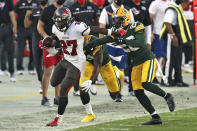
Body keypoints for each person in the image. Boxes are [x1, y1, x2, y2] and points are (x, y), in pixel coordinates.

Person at [84, 7, 175, 125]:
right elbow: (101, 41)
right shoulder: (116, 32)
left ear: (126, 19)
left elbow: (140, 43)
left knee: (146, 83)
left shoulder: (136, 25)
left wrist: (123, 41)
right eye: (114, 20)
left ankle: (167, 96)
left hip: (147, 59)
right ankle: (155, 116)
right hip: (135, 63)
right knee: (138, 91)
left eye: (118, 20)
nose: (116, 22)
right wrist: (84, 47)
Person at [45, 7, 119, 126]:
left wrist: (110, 32)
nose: (58, 23)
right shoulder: (55, 28)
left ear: (68, 20)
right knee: (53, 83)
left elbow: (94, 29)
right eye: (57, 21)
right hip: (66, 59)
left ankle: (59, 119)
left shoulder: (79, 29)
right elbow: (56, 37)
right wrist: (49, 42)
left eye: (61, 21)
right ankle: (86, 112)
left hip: (78, 63)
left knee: (65, 89)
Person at [74, 35, 124, 122]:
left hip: (104, 64)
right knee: (83, 87)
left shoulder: (96, 44)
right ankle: (89, 113)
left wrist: (91, 80)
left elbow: (98, 65)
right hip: (89, 62)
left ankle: (117, 72)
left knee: (114, 92)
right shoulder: (76, 41)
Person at [99, 0, 135, 94]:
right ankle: (113, 90)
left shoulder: (127, 9)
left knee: (121, 68)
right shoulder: (106, 10)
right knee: (110, 68)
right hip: (110, 43)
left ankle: (119, 92)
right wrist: (100, 44)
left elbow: (132, 26)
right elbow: (102, 27)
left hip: (122, 44)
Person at [37, 0, 66, 106]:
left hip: (62, 45)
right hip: (49, 46)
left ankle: (57, 97)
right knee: (48, 71)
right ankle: (44, 97)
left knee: (59, 71)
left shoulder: (66, 10)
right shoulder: (47, 10)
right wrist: (46, 37)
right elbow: (39, 26)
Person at [160, 0, 192, 87]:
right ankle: (166, 79)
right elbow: (167, 22)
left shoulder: (177, 7)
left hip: (177, 35)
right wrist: (173, 35)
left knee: (178, 58)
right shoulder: (171, 8)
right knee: (170, 58)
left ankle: (178, 79)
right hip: (172, 35)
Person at [123, 0, 152, 95]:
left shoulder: (144, 6)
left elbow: (147, 25)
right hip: (128, 38)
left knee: (140, 64)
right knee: (132, 64)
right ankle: (132, 88)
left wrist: (148, 41)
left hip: (140, 39)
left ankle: (138, 88)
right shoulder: (126, 4)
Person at [24, 0, 48, 93]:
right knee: (37, 61)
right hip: (36, 38)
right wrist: (27, 15)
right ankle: (41, 82)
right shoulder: (34, 11)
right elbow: (26, 25)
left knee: (46, 62)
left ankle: (48, 81)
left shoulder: (50, 10)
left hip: (47, 38)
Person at [14, 0, 38, 75]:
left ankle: (31, 68)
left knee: (33, 49)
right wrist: (14, 27)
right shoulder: (19, 3)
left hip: (33, 28)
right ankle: (19, 68)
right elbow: (14, 15)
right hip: (21, 28)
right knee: (20, 49)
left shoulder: (36, 3)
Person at [149, 0, 169, 82]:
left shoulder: (171, 2)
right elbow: (149, 19)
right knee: (158, 55)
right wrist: (150, 32)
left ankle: (164, 74)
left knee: (167, 56)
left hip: (168, 32)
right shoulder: (155, 3)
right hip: (158, 32)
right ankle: (153, 76)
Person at [0, 0, 17, 82]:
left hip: (7, 27)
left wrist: (14, 26)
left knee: (10, 50)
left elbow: (12, 13)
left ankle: (12, 72)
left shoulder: (8, 1)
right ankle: (2, 69)